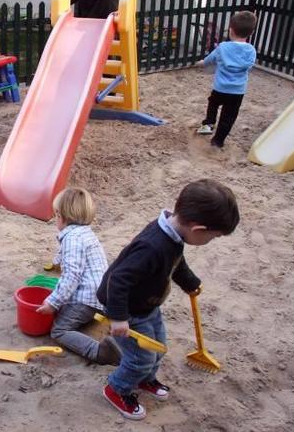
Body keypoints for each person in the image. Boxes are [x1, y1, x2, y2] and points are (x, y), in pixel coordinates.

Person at [98, 179, 239, 420]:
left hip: (148, 306)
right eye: (212, 237)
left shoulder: (173, 236)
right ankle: (116, 388)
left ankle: (144, 379)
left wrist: (190, 282)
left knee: (159, 346)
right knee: (141, 358)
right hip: (127, 311)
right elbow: (119, 279)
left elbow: (176, 263)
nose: (210, 242)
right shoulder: (152, 247)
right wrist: (118, 317)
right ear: (198, 229)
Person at [35, 187, 121, 365]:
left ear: (60, 216)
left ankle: (100, 352)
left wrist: (53, 302)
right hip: (102, 295)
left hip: (86, 301)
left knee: (59, 331)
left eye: (55, 215)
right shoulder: (85, 233)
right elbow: (68, 258)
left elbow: (72, 276)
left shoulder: (72, 239)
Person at [196, 11, 258, 148]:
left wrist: (201, 63)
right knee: (228, 117)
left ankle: (209, 123)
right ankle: (218, 141)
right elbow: (249, 66)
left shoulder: (223, 47)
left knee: (213, 103)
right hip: (237, 92)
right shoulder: (251, 50)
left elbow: (209, 60)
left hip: (220, 88)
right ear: (251, 32)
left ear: (230, 30)